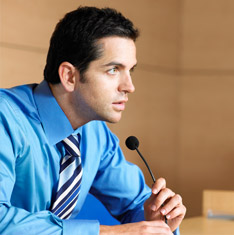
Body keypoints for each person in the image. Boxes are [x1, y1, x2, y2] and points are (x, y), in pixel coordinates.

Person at [0, 6, 186, 235]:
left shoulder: (95, 133)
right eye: (113, 70)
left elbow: (135, 203)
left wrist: (155, 219)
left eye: (131, 71)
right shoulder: (5, 118)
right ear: (69, 76)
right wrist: (108, 233)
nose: (129, 86)